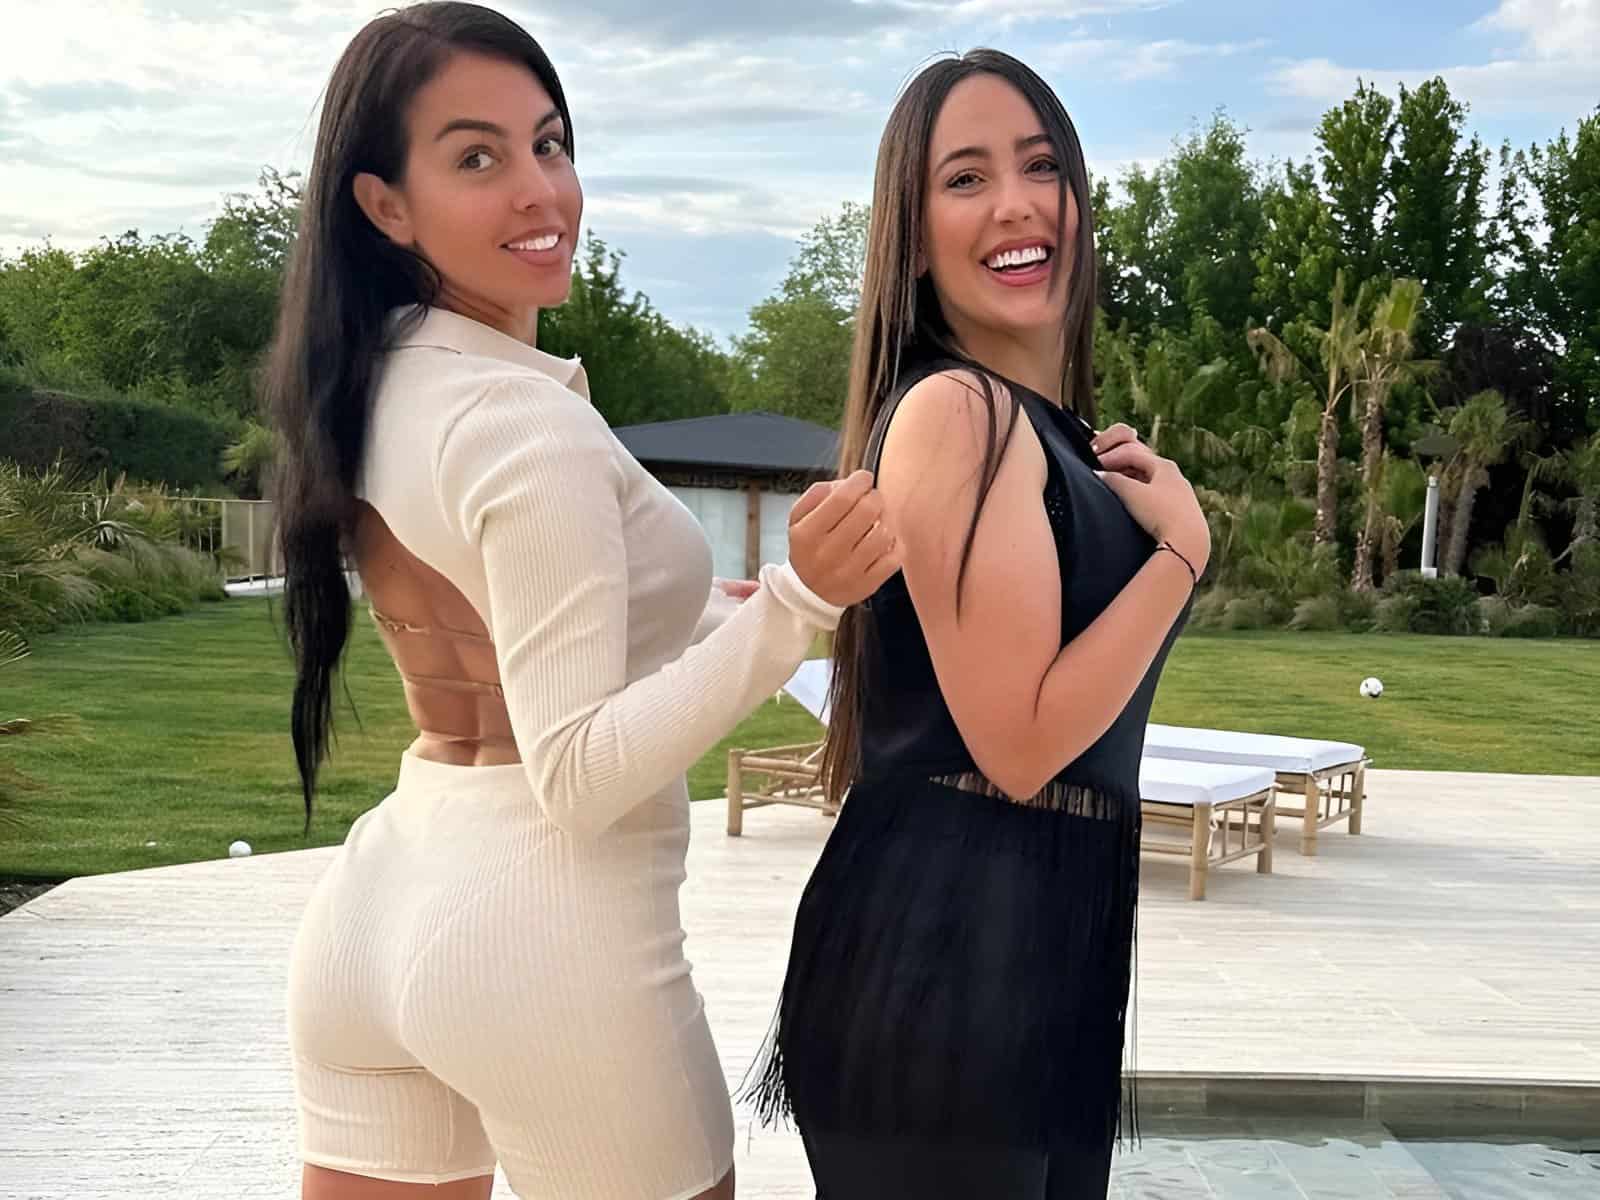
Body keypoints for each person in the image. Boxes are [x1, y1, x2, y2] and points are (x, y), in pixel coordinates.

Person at [267, 6, 898, 1198]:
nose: (540, 190)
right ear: (385, 205)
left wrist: (725, 613)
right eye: (477, 157)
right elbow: (577, 772)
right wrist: (795, 600)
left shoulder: (376, 381)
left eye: (548, 143)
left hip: (376, 910)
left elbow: (509, 623)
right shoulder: (523, 421)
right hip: (544, 936)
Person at [745, 50, 1209, 1199]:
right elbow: (1019, 745)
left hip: (1038, 951)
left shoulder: (1050, 431)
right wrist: (1182, 557)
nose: (1014, 202)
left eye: (1040, 166)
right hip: (944, 962)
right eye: (965, 178)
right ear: (912, 239)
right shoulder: (958, 412)